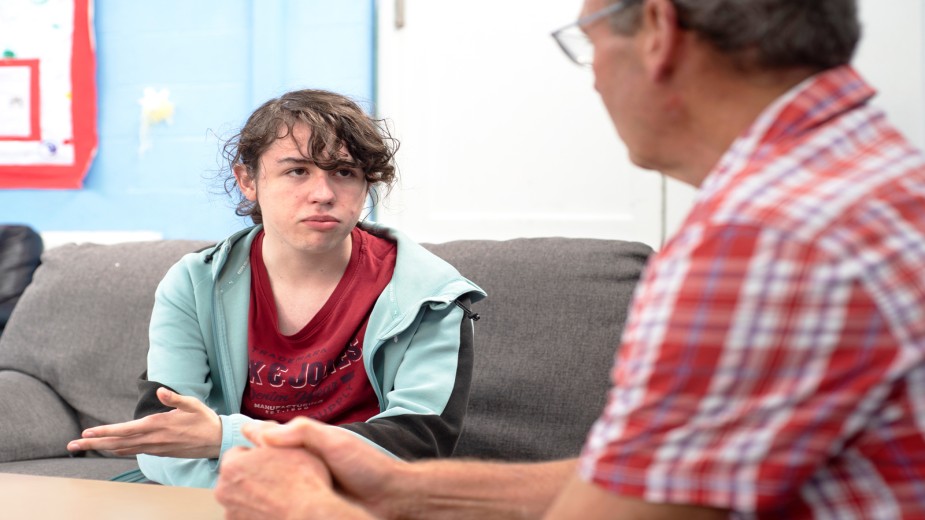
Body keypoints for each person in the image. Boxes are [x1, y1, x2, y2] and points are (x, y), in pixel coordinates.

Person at [213, 0, 925, 518]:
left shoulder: (762, 237)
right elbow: (649, 483)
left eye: (584, 41)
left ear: (656, 28)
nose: (590, 79)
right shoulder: (869, 180)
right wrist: (404, 487)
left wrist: (308, 508)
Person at [65, 89, 486, 488]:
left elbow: (417, 447)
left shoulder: (430, 294)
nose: (322, 194)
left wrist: (226, 437)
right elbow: (162, 438)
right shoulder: (194, 283)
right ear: (248, 180)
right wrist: (253, 495)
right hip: (221, 493)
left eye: (344, 172)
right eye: (297, 170)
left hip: (356, 499)